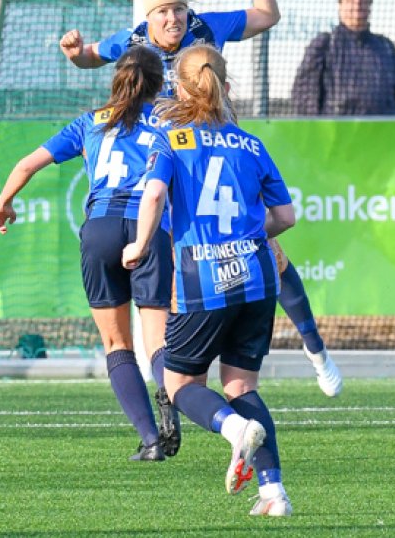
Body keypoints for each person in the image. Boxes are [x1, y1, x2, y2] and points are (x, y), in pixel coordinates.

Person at [59, 0, 342, 398]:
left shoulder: (206, 29)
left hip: (215, 149)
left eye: (178, 9)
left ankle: (316, 349)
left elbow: (267, 15)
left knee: (269, 250)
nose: (174, 18)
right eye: (164, 11)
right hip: (174, 161)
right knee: (179, 269)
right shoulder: (131, 42)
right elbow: (91, 55)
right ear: (149, 18)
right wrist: (74, 54)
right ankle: (185, 382)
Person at [122, 45, 296, 517]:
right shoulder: (251, 144)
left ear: (180, 88)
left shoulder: (171, 139)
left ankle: (234, 430)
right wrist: (248, 237)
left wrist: (138, 245)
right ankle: (273, 494)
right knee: (241, 387)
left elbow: (154, 194)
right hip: (258, 277)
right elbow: (285, 216)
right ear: (226, 85)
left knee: (178, 384)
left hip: (203, 277)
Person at [0, 46, 180, 461]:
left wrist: (4, 203)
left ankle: (150, 440)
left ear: (116, 80)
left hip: (100, 229)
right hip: (148, 228)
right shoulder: (170, 123)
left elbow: (26, 165)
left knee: (116, 342)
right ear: (158, 84)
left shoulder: (90, 122)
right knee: (158, 341)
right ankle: (171, 397)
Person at [291, 0, 395, 116]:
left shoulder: (386, 48)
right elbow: (304, 97)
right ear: (340, 5)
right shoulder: (325, 46)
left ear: (370, 5)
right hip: (336, 127)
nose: (357, 3)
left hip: (382, 127)